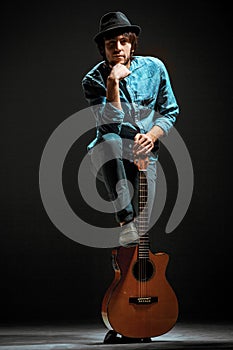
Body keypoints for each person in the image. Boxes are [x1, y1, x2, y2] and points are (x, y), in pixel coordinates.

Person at [82, 11, 179, 247]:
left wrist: (149, 138)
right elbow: (109, 125)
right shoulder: (93, 81)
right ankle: (124, 221)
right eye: (110, 44)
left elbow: (170, 111)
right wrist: (112, 82)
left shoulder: (155, 68)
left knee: (143, 225)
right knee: (112, 140)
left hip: (145, 151)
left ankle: (128, 273)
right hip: (110, 152)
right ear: (103, 49)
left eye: (123, 42)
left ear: (132, 44)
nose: (117, 48)